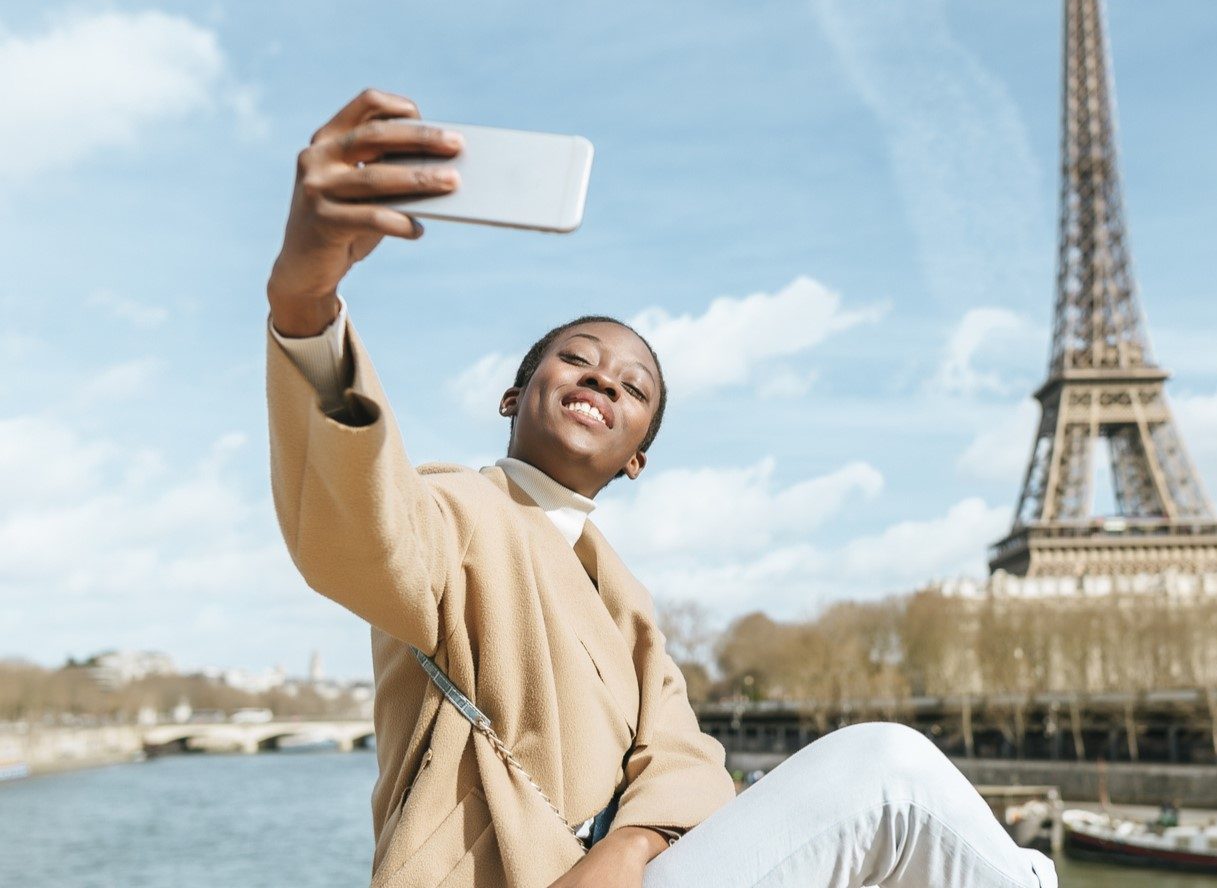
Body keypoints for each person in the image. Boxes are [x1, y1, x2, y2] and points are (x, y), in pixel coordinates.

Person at [266, 89, 1058, 888]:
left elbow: (684, 755)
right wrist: (306, 305)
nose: (603, 377)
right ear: (513, 397)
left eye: (634, 387)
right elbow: (361, 530)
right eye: (576, 359)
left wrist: (630, 845)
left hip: (609, 874)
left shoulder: (627, 599)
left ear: (635, 457)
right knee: (889, 773)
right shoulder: (457, 512)